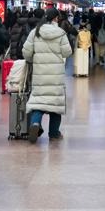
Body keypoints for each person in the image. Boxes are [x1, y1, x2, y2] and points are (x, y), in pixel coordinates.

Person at [23, 8, 72, 143]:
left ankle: (35, 123)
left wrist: (34, 59)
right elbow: (67, 52)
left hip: (39, 73)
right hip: (56, 73)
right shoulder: (61, 33)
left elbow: (26, 53)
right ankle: (54, 133)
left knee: (38, 102)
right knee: (55, 104)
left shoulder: (35, 32)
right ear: (56, 18)